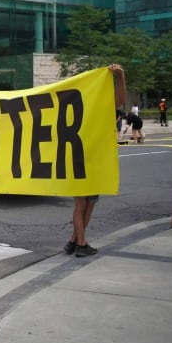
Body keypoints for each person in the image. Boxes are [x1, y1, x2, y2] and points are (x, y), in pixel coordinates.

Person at [65, 64, 126, 258]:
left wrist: (119, 77)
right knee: (85, 204)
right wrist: (121, 76)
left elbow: (119, 101)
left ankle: (74, 240)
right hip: (90, 158)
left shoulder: (78, 105)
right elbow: (120, 100)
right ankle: (81, 243)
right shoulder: (100, 106)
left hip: (80, 157)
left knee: (85, 204)